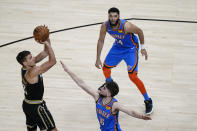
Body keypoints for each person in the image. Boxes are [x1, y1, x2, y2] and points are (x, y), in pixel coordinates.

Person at [60, 61, 151, 131]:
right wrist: (67, 70)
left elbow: (130, 111)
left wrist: (141, 116)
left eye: (104, 88)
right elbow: (81, 83)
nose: (101, 87)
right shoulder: (97, 96)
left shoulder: (114, 105)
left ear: (108, 93)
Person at [95, 7, 153, 114]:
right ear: (108, 16)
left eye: (115, 16)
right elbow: (100, 40)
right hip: (118, 46)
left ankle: (148, 100)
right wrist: (98, 58)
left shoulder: (126, 26)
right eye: (111, 16)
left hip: (130, 49)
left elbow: (140, 31)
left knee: (133, 76)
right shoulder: (105, 26)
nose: (112, 18)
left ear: (118, 17)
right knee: (105, 68)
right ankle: (109, 85)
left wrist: (143, 47)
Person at [16, 38, 58, 131]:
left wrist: (46, 38)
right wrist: (48, 45)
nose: (34, 58)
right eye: (30, 58)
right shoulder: (32, 72)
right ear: (25, 63)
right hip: (37, 107)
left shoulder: (24, 68)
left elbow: (45, 52)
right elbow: (53, 61)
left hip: (27, 105)